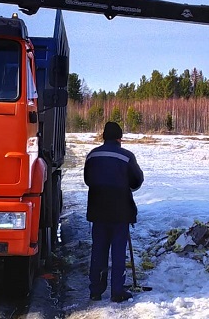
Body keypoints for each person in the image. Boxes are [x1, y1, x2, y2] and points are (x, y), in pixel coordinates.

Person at [84, 121, 144, 303]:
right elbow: (137, 180)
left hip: (98, 209)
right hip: (120, 211)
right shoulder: (127, 156)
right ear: (120, 138)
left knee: (98, 250)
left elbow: (88, 179)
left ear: (103, 136)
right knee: (118, 251)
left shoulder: (92, 155)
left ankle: (95, 290)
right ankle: (117, 292)